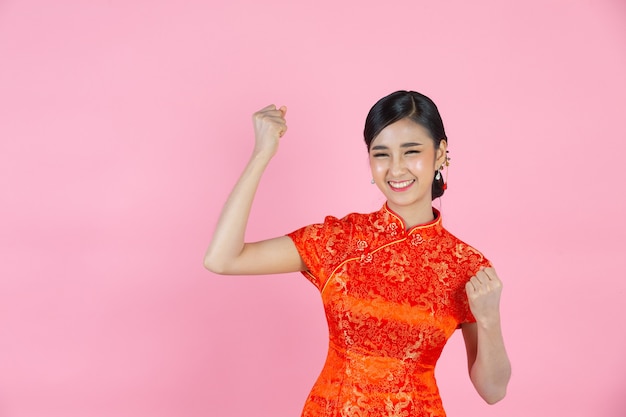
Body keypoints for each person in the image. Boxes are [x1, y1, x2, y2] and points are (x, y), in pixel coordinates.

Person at [204, 90, 511, 417]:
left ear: (440, 154)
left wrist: (490, 320)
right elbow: (222, 259)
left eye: (411, 152)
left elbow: (492, 391)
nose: (396, 168)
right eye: (382, 154)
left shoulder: (466, 266)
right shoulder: (339, 240)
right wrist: (262, 153)